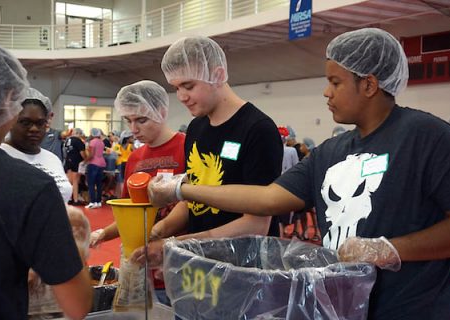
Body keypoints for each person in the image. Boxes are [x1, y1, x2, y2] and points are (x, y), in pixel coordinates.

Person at [147, 28, 450, 319]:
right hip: (345, 307)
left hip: (414, 310)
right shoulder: (331, 151)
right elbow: (268, 198)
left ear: (368, 84)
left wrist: (392, 249)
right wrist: (182, 190)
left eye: (336, 82)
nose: (326, 92)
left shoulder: (426, 137)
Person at [132, 35, 283, 268]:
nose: (181, 97)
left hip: (244, 271)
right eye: (176, 88)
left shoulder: (257, 129)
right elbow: (191, 199)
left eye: (188, 86)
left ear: (218, 75)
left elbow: (256, 224)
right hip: (201, 267)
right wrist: (160, 230)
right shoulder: (196, 127)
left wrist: (178, 245)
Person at [0, 39, 92, 319]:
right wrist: (74, 247)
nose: (34, 128)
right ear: (8, 101)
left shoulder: (41, 171)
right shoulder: (27, 185)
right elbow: (76, 303)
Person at [89, 80, 186, 306]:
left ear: (161, 112)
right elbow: (130, 213)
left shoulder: (187, 146)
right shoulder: (135, 158)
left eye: (141, 120)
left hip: (178, 267)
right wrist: (102, 234)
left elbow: (193, 206)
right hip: (142, 269)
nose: (133, 129)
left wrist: (156, 232)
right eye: (128, 120)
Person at [0, 87, 72, 203]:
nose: (34, 129)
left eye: (40, 123)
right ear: (11, 121)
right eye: (25, 122)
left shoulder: (52, 159)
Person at [277, 126, 299, 237]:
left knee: (278, 215)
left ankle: (280, 233)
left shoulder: (273, 149)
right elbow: (296, 166)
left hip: (276, 182)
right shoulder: (291, 150)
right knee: (286, 212)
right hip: (288, 182)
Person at [84, 128, 106, 209]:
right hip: (101, 163)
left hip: (93, 163)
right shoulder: (101, 142)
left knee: (91, 183)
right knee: (99, 183)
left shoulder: (92, 142)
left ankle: (92, 202)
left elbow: (91, 154)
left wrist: (85, 161)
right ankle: (98, 201)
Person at [63, 127, 86, 205]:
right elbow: (82, 153)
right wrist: (86, 159)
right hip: (76, 161)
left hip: (67, 161)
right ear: (78, 134)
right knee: (75, 181)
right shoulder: (78, 141)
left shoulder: (67, 140)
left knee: (69, 181)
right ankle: (75, 200)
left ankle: (69, 198)